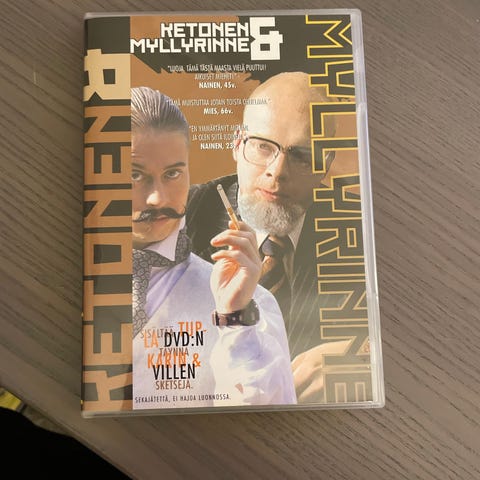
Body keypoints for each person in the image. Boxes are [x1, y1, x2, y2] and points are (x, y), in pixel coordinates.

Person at [186, 72, 350, 403]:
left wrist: (364, 353)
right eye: (263, 146)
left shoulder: (352, 225)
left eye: (301, 155)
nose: (277, 171)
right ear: (237, 144)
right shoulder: (183, 215)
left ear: (325, 164)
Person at [130, 86, 296, 410]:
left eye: (173, 173)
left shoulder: (254, 305)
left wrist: (235, 317)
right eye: (135, 175)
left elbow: (265, 414)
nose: (158, 198)